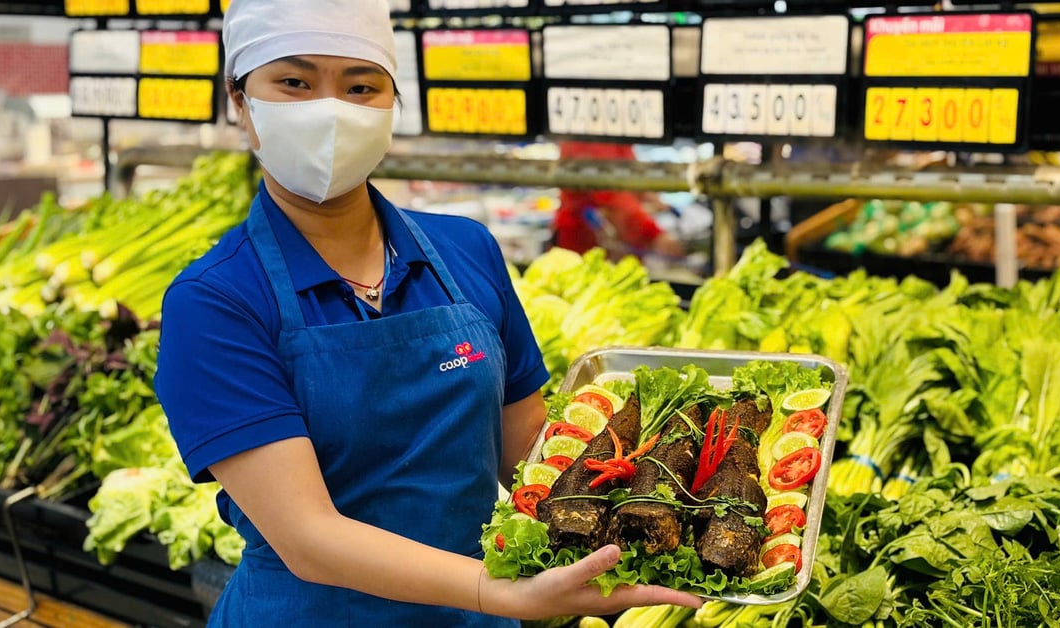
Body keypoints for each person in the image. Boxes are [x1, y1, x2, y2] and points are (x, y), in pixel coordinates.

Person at [153, 1, 702, 625]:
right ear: (240, 101)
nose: (330, 110)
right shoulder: (215, 300)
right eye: (295, 83)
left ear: (392, 103)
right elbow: (308, 537)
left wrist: (670, 487)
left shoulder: (466, 250)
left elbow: (532, 455)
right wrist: (496, 591)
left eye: (360, 86)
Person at [555, 141, 685, 258]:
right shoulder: (588, 137)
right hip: (584, 238)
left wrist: (651, 196)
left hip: (611, 238)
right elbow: (610, 198)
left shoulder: (619, 136)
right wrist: (653, 233)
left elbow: (632, 174)